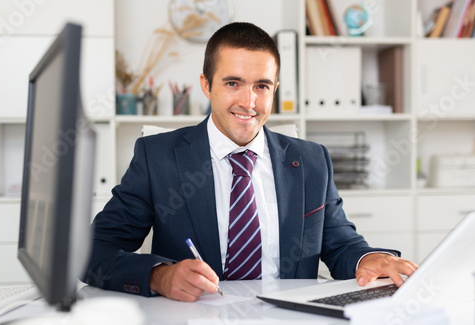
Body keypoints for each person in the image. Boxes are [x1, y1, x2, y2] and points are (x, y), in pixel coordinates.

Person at [83, 22, 418, 302]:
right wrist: (159, 276)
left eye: (262, 86)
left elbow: (341, 245)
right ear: (206, 85)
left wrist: (367, 258)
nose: (249, 101)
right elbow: (93, 251)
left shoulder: (312, 160)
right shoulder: (158, 157)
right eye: (233, 83)